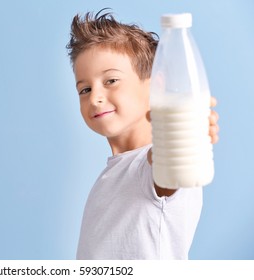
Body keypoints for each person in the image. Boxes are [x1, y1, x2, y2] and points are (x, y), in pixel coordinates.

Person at [66, 9, 220, 259]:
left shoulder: (151, 167)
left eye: (111, 81)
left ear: (155, 87)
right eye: (84, 89)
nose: (95, 98)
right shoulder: (114, 171)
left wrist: (181, 136)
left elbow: (165, 169)